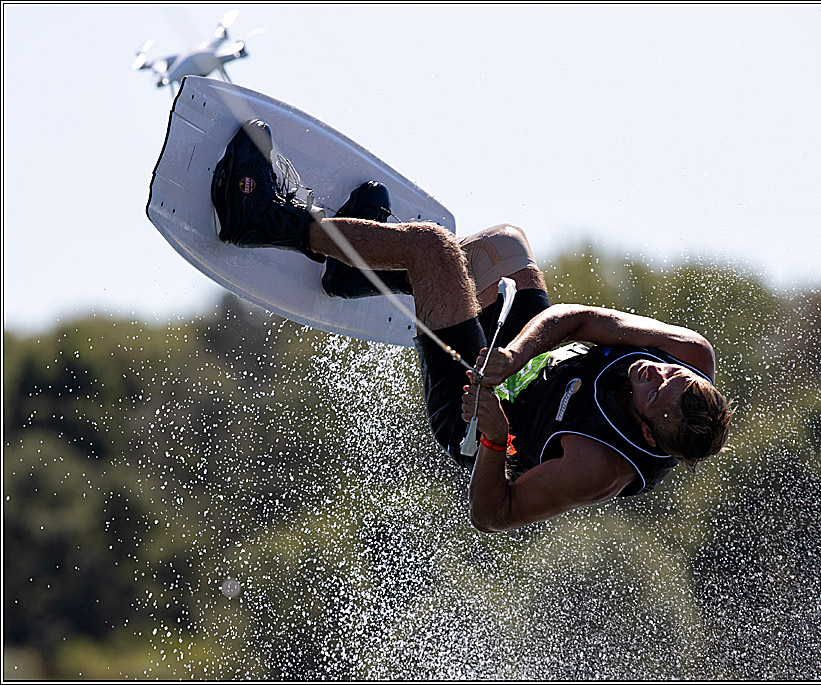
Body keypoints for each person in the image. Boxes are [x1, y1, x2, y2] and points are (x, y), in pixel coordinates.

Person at [211, 120, 734, 533]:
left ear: (646, 429)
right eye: (673, 376)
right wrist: (517, 354)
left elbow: (493, 515)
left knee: (431, 248)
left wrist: (494, 436)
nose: (655, 374)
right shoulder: (691, 355)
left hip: (475, 409)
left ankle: (267, 219)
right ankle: (353, 269)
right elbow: (581, 320)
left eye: (655, 392)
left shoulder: (599, 468)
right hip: (518, 359)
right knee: (507, 245)